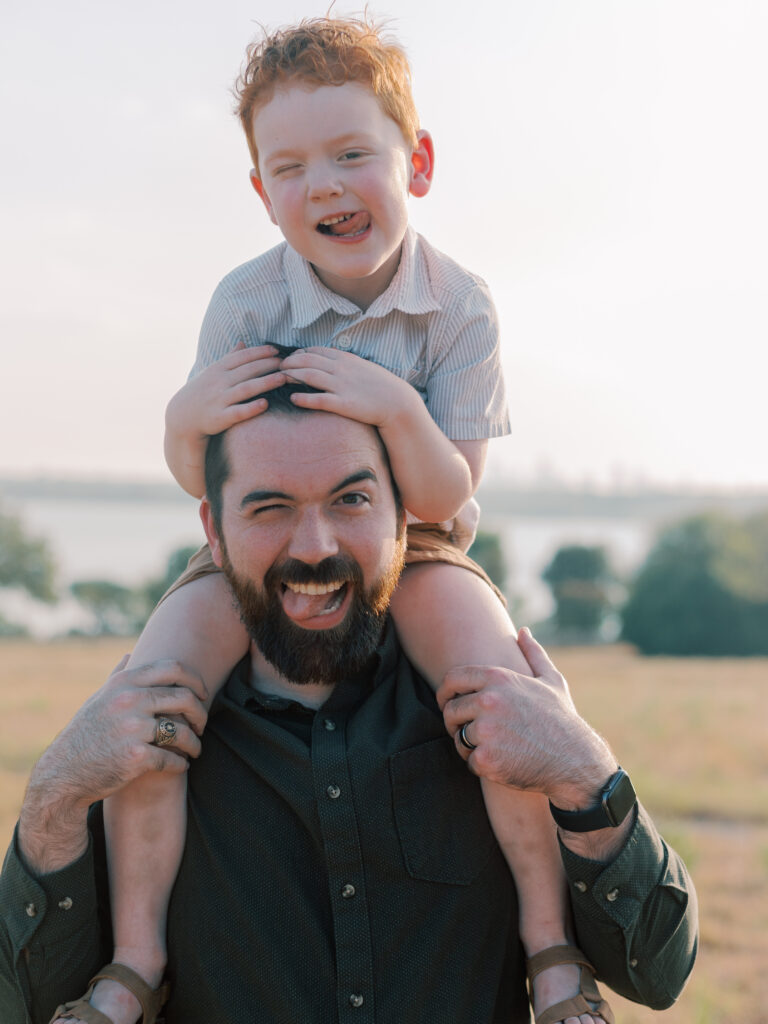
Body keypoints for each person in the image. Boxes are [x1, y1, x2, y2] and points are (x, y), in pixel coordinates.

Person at [37, 15, 648, 1024]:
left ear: (418, 163)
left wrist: (391, 406)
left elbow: (450, 497)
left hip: (424, 543)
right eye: (291, 165)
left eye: (353, 153)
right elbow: (202, 464)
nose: (323, 183)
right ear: (261, 192)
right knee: (151, 696)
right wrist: (180, 417)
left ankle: (549, 948)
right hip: (264, 542)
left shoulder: (460, 307)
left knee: (497, 693)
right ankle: (134, 962)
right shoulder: (242, 301)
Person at [0, 396, 698, 1024]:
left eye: (352, 501)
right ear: (214, 531)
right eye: (269, 508)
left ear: (406, 516)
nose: (314, 548)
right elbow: (25, 1001)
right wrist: (55, 795)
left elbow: (657, 974)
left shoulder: (499, 713)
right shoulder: (147, 745)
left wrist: (585, 773)